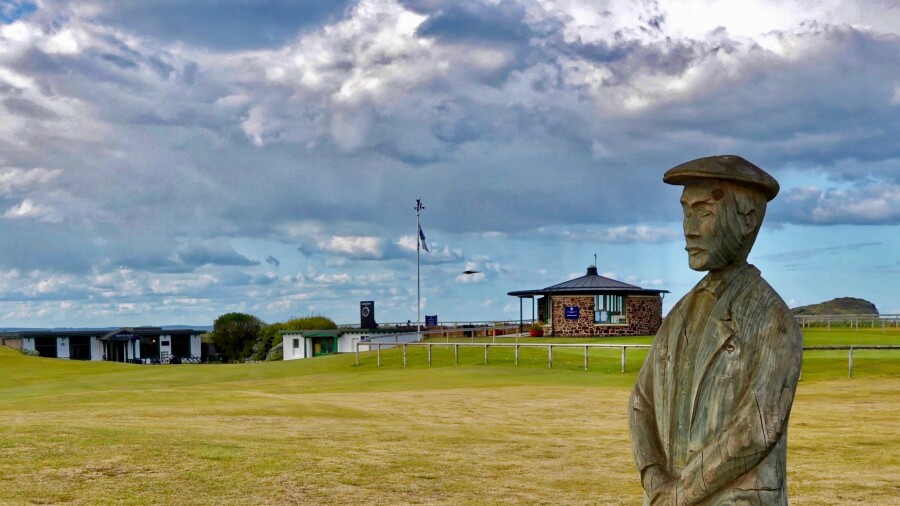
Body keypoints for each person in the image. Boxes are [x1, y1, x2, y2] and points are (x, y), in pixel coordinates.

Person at [629, 155, 803, 505]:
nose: (689, 228)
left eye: (705, 212)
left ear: (748, 220)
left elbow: (757, 428)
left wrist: (681, 493)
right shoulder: (679, 313)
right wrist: (652, 475)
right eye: (686, 211)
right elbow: (641, 401)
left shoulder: (772, 319)